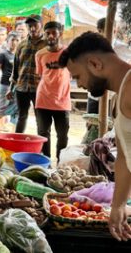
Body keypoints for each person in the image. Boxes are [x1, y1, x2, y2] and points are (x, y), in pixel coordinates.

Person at [58, 31, 131, 242]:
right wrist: (118, 206)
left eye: (78, 76)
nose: (79, 84)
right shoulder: (119, 98)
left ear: (95, 64)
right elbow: (125, 158)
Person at [35, 22, 71, 159]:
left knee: (62, 135)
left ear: (60, 34)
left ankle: (60, 161)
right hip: (43, 99)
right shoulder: (39, 55)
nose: (50, 36)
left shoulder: (68, 53)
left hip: (63, 101)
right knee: (43, 134)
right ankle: (46, 161)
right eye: (47, 33)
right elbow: (40, 75)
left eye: (53, 33)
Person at [7, 14, 47, 133]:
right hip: (21, 87)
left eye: (35, 25)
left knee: (40, 119)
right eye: (29, 26)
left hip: (39, 88)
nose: (32, 28)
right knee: (21, 116)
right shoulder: (22, 44)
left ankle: (42, 147)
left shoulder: (47, 45)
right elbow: (16, 68)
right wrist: (11, 88)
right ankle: (18, 145)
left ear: (41, 26)